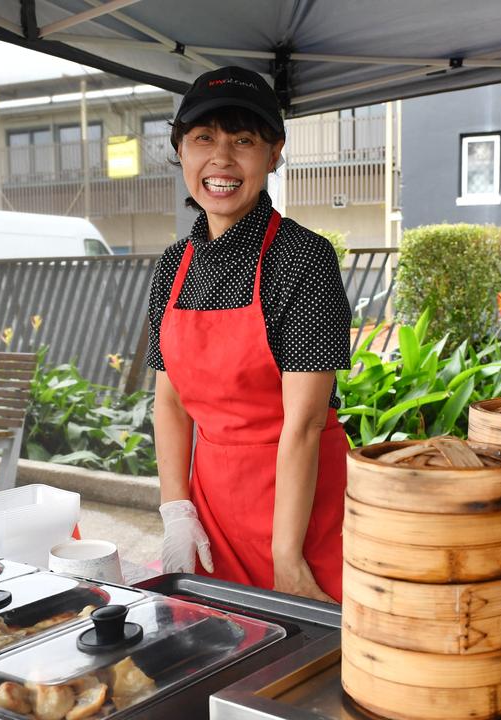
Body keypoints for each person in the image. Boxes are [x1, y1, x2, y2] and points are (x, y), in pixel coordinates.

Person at [147, 66, 350, 603]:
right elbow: (169, 399)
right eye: (203, 139)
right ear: (181, 150)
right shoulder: (173, 266)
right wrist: (176, 512)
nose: (222, 159)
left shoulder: (304, 258)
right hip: (212, 508)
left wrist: (287, 555)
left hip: (303, 511)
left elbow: (304, 424)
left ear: (274, 152)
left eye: (244, 140)